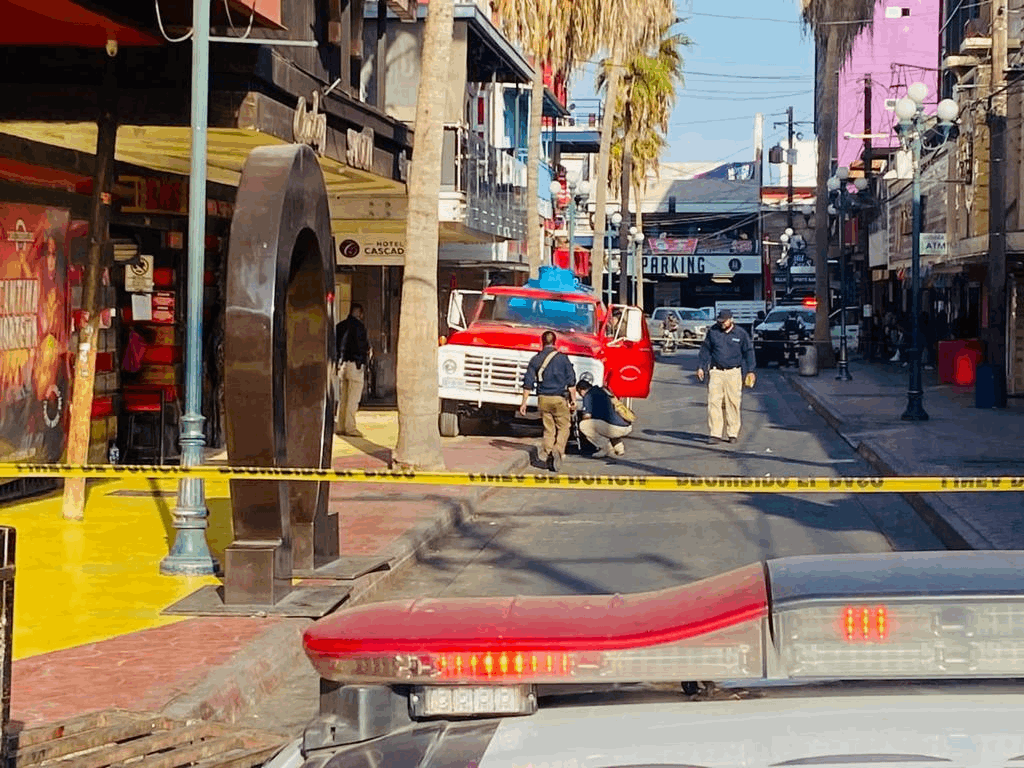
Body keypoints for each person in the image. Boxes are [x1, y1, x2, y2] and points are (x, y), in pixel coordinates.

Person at [519, 330, 577, 471]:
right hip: (558, 398)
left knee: (548, 429)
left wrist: (524, 402)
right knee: (564, 426)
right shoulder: (563, 359)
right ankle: (558, 449)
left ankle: (550, 452)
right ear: (555, 342)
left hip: (543, 399)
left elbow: (528, 382)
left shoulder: (536, 359)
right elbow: (571, 381)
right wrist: (573, 400)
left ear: (542, 342)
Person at [696, 309, 756, 444]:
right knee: (714, 402)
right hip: (716, 371)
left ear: (731, 320)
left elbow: (749, 352)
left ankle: (732, 432)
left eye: (724, 321)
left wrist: (751, 370)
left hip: (733, 372)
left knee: (733, 402)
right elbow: (705, 350)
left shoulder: (741, 334)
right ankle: (715, 433)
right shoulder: (713, 332)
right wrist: (701, 366)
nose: (722, 324)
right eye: (720, 321)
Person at [335, 303, 370, 437]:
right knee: (353, 399)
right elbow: (362, 347)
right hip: (356, 365)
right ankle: (350, 428)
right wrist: (362, 361)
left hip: (343, 365)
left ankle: (340, 426)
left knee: (343, 397)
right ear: (359, 313)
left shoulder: (340, 326)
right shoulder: (359, 327)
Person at [575, 378, 632, 459]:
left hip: (614, 428)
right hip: (625, 426)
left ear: (581, 390)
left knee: (584, 425)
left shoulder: (588, 396)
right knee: (606, 422)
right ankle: (619, 448)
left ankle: (606, 448)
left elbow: (587, 417)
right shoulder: (601, 390)